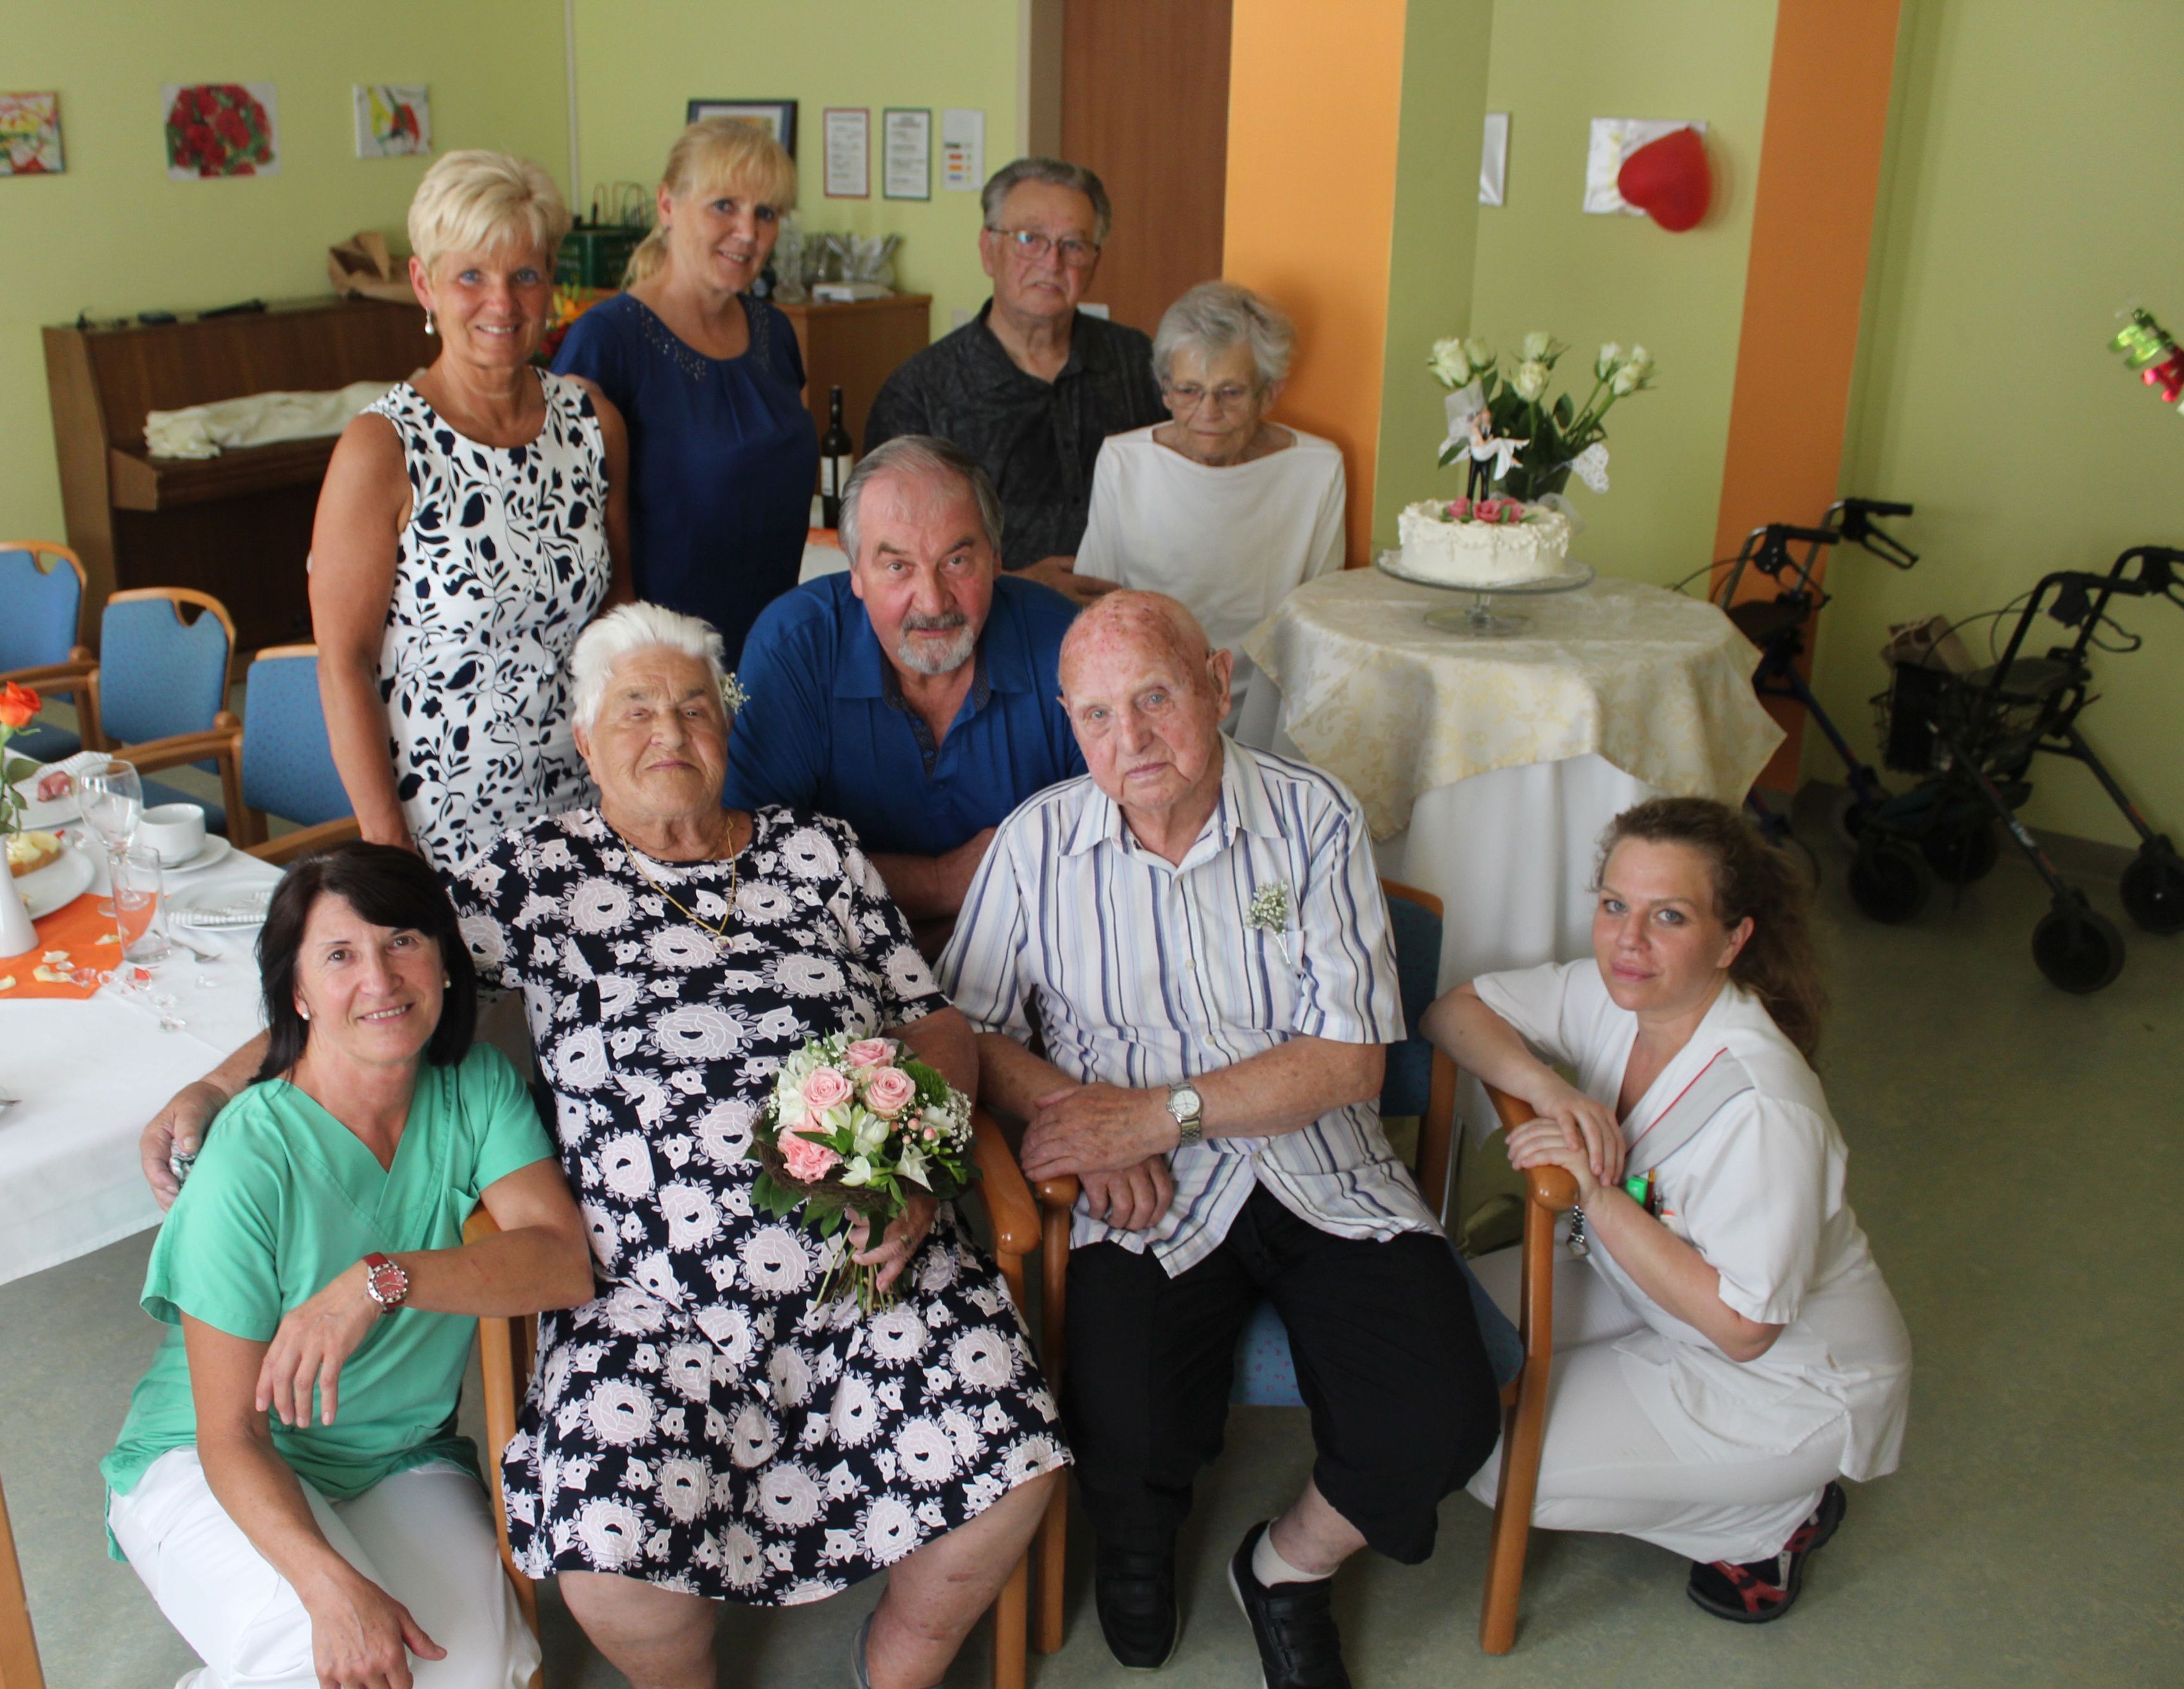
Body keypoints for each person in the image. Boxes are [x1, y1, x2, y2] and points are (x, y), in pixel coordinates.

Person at [141, 604, 1066, 1689]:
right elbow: (377, 978)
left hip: (871, 1258)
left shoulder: (821, 852)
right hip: (644, 1291)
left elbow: (936, 1021)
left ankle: (899, 1661)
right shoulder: (543, 874)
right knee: (609, 1554)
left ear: (727, 729)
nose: (667, 728)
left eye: (692, 705)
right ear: (586, 742)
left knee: (1010, 1462)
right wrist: (215, 1079)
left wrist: (912, 1162)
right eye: (635, 708)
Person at [937, 591, 1499, 1689]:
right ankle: (1140, 1542)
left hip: (1322, 1164)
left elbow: (1350, 1062)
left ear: (1216, 680)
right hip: (1139, 1196)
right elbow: (969, 1030)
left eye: (1154, 696)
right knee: (1123, 1427)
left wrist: (1155, 1111)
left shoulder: (1315, 817)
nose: (1131, 737)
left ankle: (1284, 1565)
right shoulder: (1037, 843)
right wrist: (1082, 1122)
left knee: (1440, 1416)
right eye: (1097, 715)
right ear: (1068, 722)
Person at [102, 845, 593, 1689]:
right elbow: (230, 1434)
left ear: (442, 957)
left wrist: (382, 1279)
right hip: (213, 1458)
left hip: (399, 1453)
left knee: (474, 1672)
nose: (380, 978)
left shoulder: (474, 1084)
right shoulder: (248, 1157)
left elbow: (559, 1262)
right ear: (296, 995)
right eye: (340, 955)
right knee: (324, 1660)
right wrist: (330, 1587)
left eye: (403, 939)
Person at [1423, 797, 1911, 1624]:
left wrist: (1595, 1190)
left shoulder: (1764, 1109)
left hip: (1780, 1379)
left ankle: (1774, 1518)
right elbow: (1454, 1010)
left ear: (1733, 938)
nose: (1627, 939)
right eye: (1614, 903)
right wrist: (1551, 1088)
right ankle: (1677, 1432)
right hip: (1639, 1281)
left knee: (1488, 1457)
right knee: (1435, 1332)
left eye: (1670, 915)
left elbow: (1743, 1327)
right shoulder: (1621, 993)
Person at [312, 149, 632, 876]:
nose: (503, 303)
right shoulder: (382, 448)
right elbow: (343, 665)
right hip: (442, 838)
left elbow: (618, 609)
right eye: (470, 276)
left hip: (590, 813)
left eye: (525, 274)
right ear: (424, 284)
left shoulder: (591, 423)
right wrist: (389, 848)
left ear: (551, 282)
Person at [725, 434, 1083, 954]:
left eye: (957, 561)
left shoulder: (1065, 644)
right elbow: (752, 861)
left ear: (998, 557)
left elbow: (1110, 853)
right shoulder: (795, 647)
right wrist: (942, 880)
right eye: (897, 567)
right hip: (843, 963)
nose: (934, 601)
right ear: (855, 573)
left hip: (1038, 957)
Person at [550, 120, 818, 657]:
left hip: (772, 651)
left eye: (766, 213)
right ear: (668, 205)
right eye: (724, 205)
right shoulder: (609, 340)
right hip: (663, 668)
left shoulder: (776, 333)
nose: (748, 232)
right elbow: (569, 534)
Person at [864, 158, 1167, 608]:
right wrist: (1018, 584)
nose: (1052, 261)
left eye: (1074, 245)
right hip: (990, 635)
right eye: (1029, 239)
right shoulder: (921, 392)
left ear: (1095, 261)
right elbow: (890, 557)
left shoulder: (1141, 363)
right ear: (989, 249)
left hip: (1134, 620)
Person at [1076, 281, 1345, 746]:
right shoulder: (1124, 462)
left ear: (1270, 392)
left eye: (1231, 392)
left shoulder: (1317, 470)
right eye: (1188, 390)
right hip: (1147, 713)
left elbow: (1321, 622)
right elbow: (1097, 605)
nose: (1207, 412)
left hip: (1274, 709)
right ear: (1164, 390)